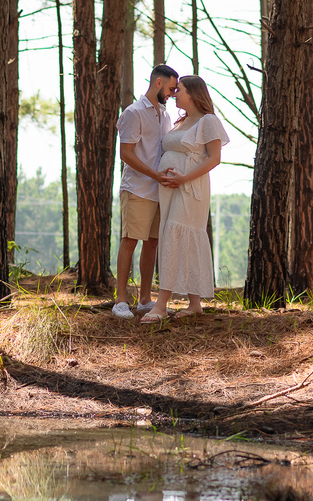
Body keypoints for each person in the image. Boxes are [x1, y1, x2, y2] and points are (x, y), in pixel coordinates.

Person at [141, 76, 228, 324]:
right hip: (171, 188)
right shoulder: (180, 121)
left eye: (179, 90)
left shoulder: (208, 121)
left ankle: (160, 304)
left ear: (193, 94)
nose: (174, 93)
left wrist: (185, 178)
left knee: (176, 235)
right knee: (178, 236)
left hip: (191, 189)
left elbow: (214, 158)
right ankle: (194, 303)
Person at [112, 65, 180, 321]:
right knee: (130, 240)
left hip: (159, 191)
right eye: (172, 88)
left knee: (152, 243)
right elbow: (126, 153)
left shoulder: (164, 115)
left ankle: (143, 300)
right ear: (159, 82)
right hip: (138, 188)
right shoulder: (133, 112)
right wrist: (155, 175)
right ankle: (120, 301)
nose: (174, 94)